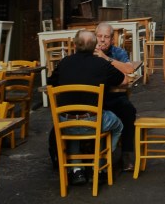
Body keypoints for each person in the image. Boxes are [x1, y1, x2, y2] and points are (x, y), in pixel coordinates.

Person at [49, 29, 124, 185]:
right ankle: (100, 165)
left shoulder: (64, 63)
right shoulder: (101, 64)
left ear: (75, 44)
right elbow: (122, 80)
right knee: (117, 125)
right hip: (92, 123)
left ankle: (77, 170)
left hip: (65, 124)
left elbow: (51, 82)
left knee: (73, 121)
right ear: (95, 45)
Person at [94, 23, 140, 172]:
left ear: (112, 39)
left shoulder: (118, 52)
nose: (102, 40)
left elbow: (129, 68)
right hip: (94, 97)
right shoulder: (89, 51)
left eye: (106, 37)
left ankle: (126, 154)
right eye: (99, 36)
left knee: (128, 111)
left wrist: (105, 58)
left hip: (115, 96)